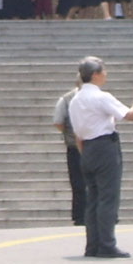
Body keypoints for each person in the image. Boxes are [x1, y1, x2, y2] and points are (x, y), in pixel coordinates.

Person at [69, 56, 133, 258]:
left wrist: (84, 152)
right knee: (107, 197)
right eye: (103, 71)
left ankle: (93, 244)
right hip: (104, 146)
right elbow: (131, 115)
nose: (105, 75)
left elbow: (78, 133)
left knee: (93, 198)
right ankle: (106, 243)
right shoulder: (101, 97)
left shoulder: (75, 100)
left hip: (86, 147)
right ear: (95, 74)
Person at [53, 74, 86, 226]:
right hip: (74, 148)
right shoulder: (66, 99)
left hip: (94, 146)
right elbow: (58, 122)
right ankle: (80, 215)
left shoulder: (98, 97)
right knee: (78, 183)